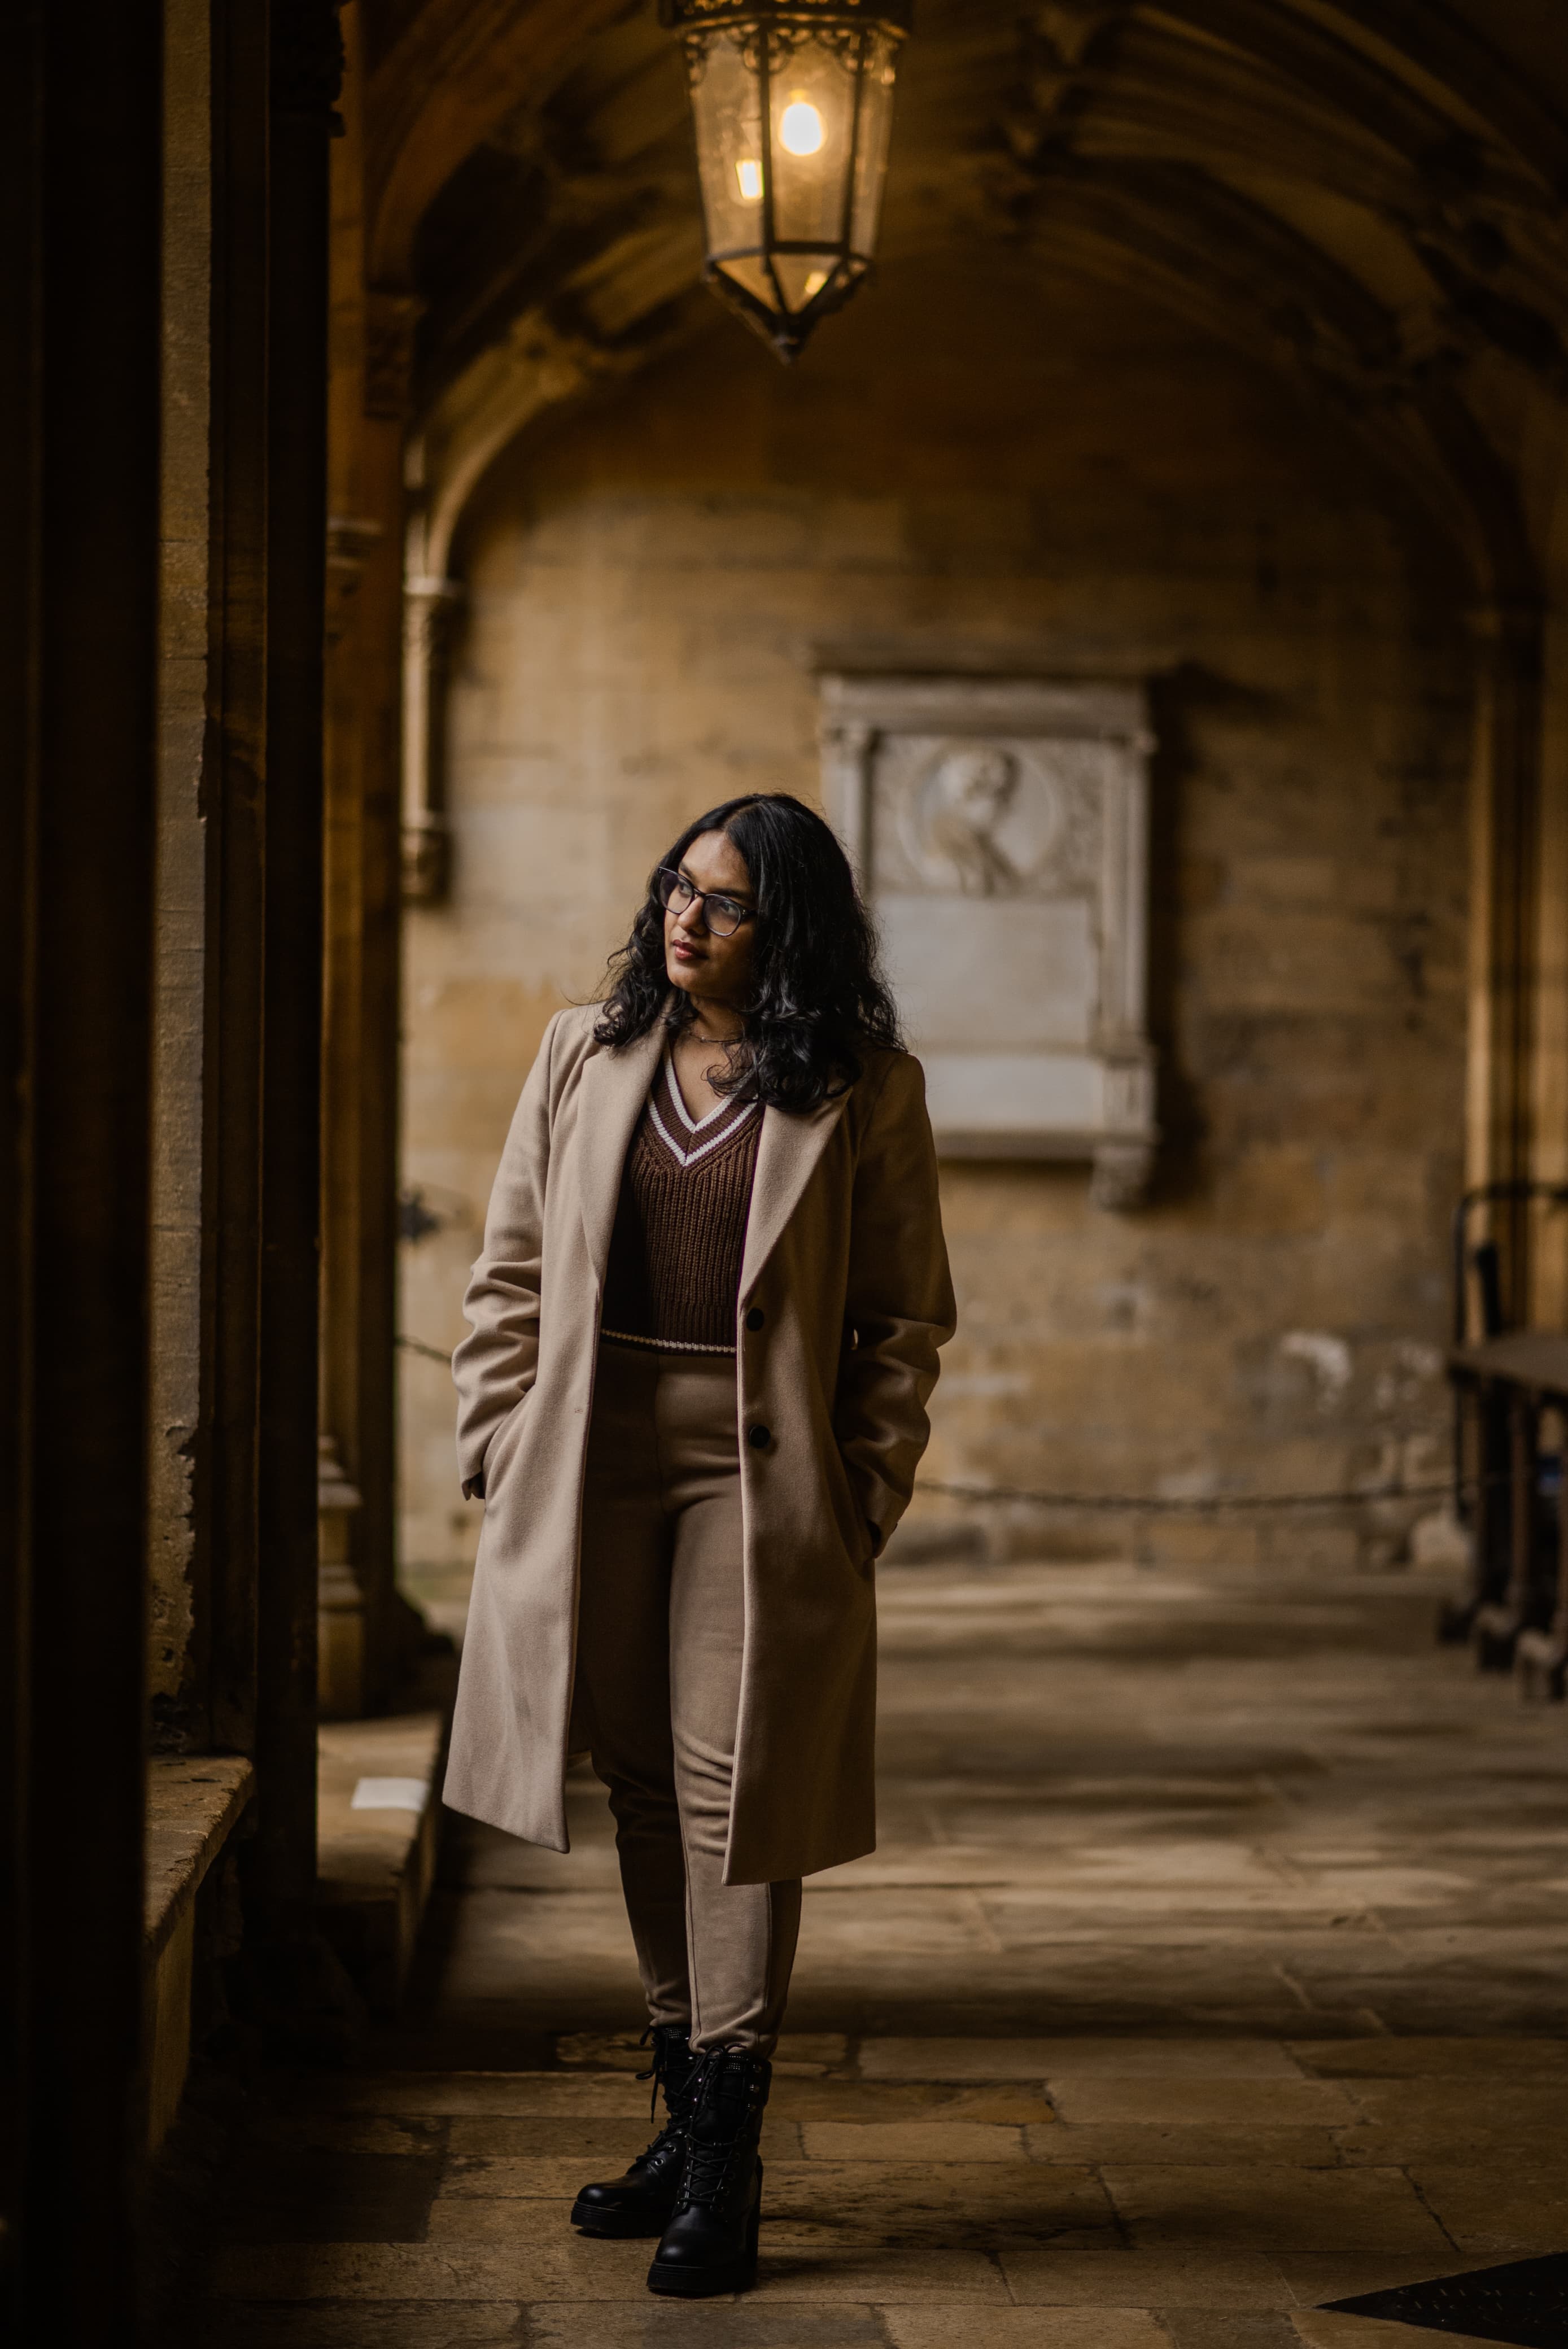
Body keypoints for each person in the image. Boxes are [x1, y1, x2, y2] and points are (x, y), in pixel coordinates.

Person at [443, 792, 955, 2298]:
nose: (685, 918)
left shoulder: (864, 1087)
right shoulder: (581, 1052)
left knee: (733, 1788)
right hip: (588, 1461)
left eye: (723, 903)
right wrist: (493, 1440)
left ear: (785, 927)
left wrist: (857, 1500)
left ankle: (726, 2157)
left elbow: (902, 1321)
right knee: (639, 1785)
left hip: (756, 1476)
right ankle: (678, 2114)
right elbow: (509, 1267)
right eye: (676, 887)